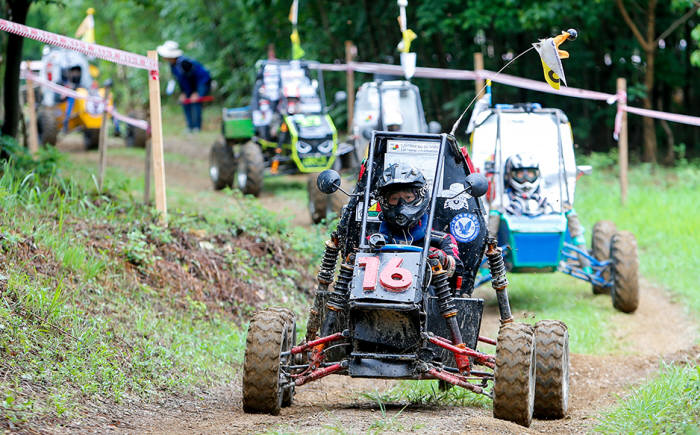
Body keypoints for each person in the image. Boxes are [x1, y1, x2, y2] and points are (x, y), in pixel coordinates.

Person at [375, 163, 464, 292]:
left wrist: (442, 258)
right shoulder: (374, 239)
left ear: (420, 197)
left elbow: (457, 271)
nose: (401, 204)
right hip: (378, 299)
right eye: (394, 199)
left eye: (408, 197)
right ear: (385, 201)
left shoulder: (442, 240)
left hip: (427, 302)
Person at [157, 40, 211, 132]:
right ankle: (190, 126)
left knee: (195, 101)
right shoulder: (172, 65)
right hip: (189, 85)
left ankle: (197, 127)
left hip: (201, 82)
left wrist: (195, 92)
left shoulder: (184, 63)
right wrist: (183, 93)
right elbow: (181, 80)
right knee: (185, 101)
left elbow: (193, 78)